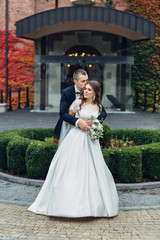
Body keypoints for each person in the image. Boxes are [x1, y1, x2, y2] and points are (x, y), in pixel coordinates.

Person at [28, 80, 119, 218]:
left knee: (94, 169)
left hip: (91, 141)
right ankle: (66, 205)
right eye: (85, 89)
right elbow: (66, 118)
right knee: (72, 167)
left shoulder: (98, 105)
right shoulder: (77, 103)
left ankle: (94, 206)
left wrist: (95, 123)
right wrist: (78, 122)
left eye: (89, 89)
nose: (85, 91)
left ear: (95, 92)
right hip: (76, 139)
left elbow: (103, 115)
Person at [54, 69, 107, 143]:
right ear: (75, 81)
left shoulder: (91, 93)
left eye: (86, 80)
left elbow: (103, 113)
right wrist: (78, 121)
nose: (86, 83)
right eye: (83, 81)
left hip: (88, 132)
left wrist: (95, 121)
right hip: (69, 127)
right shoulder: (66, 92)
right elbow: (63, 113)